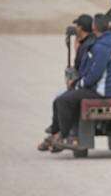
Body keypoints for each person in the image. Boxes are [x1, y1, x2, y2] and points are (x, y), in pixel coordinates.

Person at [53, 14, 111, 149]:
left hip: (103, 91)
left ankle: (64, 136)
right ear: (109, 26)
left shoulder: (102, 46)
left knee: (63, 100)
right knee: (72, 97)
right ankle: (67, 134)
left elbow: (95, 74)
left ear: (94, 27)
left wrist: (78, 85)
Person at [37, 14, 96, 152]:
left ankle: (60, 133)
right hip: (86, 83)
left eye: (77, 26)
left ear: (81, 28)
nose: (75, 29)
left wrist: (75, 83)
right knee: (62, 98)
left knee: (62, 99)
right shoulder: (91, 42)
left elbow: (80, 68)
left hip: (87, 85)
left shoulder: (86, 45)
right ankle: (56, 132)